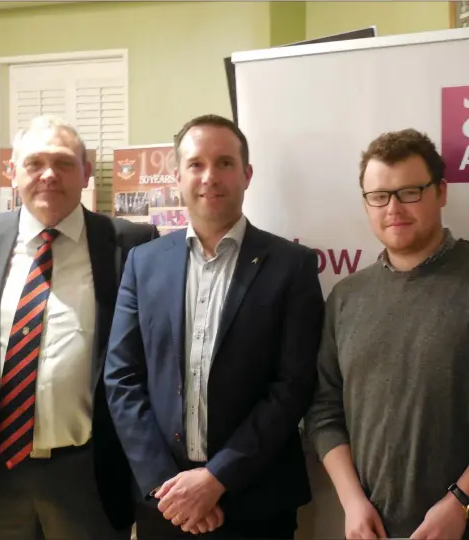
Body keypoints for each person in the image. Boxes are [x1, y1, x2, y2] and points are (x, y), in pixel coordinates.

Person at [104, 114, 324, 539]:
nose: (210, 177)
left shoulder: (292, 266)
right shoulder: (143, 263)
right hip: (164, 502)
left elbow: (293, 386)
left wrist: (215, 479)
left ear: (247, 174)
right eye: (196, 164)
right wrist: (166, 486)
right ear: (177, 176)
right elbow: (122, 377)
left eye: (224, 163)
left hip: (257, 501)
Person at [0, 115, 160, 540]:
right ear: (12, 172)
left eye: (62, 163)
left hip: (88, 477)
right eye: (34, 163)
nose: (48, 175)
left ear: (86, 173)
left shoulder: (132, 244)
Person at [305, 128, 469, 539]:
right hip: (374, 529)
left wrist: (461, 503)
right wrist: (352, 501)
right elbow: (324, 412)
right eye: (379, 196)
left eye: (409, 191)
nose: (393, 207)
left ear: (442, 192)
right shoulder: (345, 298)